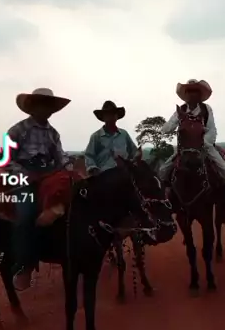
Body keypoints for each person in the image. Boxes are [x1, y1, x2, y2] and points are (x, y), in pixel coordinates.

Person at [7, 87, 73, 291]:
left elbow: (60, 156)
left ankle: (69, 251)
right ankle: (24, 266)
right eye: (43, 104)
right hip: (23, 177)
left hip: (48, 175)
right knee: (26, 215)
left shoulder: (53, 133)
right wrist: (25, 173)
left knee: (74, 202)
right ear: (33, 106)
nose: (47, 109)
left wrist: (69, 167)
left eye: (50, 105)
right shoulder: (17, 130)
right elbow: (7, 159)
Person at [160, 79, 225, 223]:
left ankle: (222, 208)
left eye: (195, 91)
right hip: (184, 148)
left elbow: (212, 129)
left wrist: (203, 142)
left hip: (203, 146)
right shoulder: (181, 110)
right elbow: (167, 128)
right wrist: (171, 125)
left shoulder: (206, 109)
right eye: (189, 91)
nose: (192, 94)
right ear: (185, 95)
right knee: (163, 171)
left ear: (199, 95)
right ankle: (169, 205)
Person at [85, 100, 138, 176]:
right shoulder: (96, 136)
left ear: (117, 116)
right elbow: (89, 156)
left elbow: (134, 151)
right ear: (103, 117)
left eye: (113, 113)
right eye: (108, 114)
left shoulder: (124, 134)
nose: (111, 116)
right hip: (104, 176)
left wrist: (135, 159)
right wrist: (93, 168)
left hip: (124, 174)